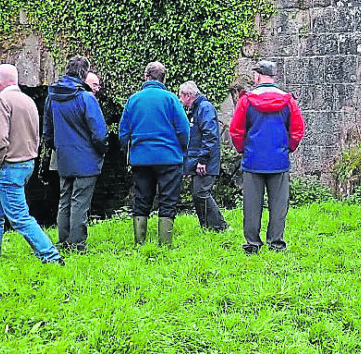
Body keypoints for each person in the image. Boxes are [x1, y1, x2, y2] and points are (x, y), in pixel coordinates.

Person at [0, 64, 63, 264]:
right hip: (26, 163)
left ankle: (51, 256)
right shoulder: (28, 101)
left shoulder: (1, 100)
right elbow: (37, 135)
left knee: (19, 217)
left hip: (8, 166)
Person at [229, 60, 304, 254]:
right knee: (278, 205)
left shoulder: (246, 100)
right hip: (278, 160)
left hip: (253, 159)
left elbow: (236, 130)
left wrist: (242, 149)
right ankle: (276, 243)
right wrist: (288, 148)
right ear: (273, 77)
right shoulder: (288, 101)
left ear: (258, 76)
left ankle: (252, 244)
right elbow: (297, 130)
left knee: (252, 206)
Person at [119, 61, 190, 247]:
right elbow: (184, 129)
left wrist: (128, 150)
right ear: (164, 79)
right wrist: (181, 149)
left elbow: (123, 132)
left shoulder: (133, 100)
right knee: (168, 200)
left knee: (142, 199)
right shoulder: (171, 99)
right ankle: (165, 244)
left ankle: (139, 243)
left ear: (145, 77)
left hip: (141, 158)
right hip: (169, 158)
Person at [42, 55, 108, 253]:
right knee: (80, 203)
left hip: (64, 157)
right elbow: (99, 132)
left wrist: (59, 147)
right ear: (84, 73)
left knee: (65, 200)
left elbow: (47, 132)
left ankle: (63, 242)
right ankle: (77, 245)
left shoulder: (52, 97)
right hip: (86, 158)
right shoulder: (86, 97)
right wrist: (100, 150)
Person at [179, 80, 229, 232]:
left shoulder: (204, 108)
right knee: (197, 194)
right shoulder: (197, 109)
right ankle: (207, 227)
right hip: (199, 160)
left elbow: (210, 136)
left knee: (201, 193)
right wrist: (189, 167)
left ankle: (220, 225)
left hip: (206, 161)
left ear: (189, 96)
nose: (180, 101)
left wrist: (202, 160)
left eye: (181, 97)